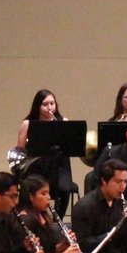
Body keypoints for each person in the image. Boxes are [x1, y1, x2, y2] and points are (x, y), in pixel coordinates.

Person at [16, 89, 74, 219]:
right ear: (38, 106)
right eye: (45, 104)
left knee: (65, 189)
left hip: (59, 167)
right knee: (33, 188)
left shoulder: (63, 122)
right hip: (36, 166)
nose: (50, 107)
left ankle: (56, 222)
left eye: (52, 103)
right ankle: (34, 218)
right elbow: (20, 151)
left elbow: (70, 147)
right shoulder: (28, 124)